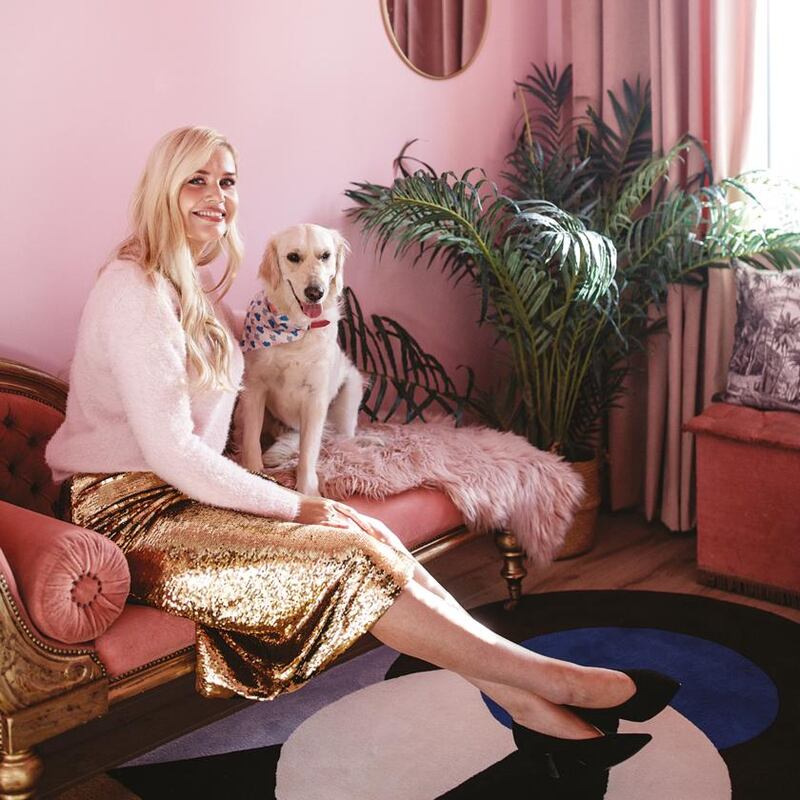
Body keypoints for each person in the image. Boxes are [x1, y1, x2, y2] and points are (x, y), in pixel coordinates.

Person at [45, 126, 677, 786]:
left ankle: (528, 703)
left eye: (227, 181)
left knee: (367, 532)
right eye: (197, 180)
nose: (217, 195)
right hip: (123, 520)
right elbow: (173, 452)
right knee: (347, 555)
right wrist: (297, 504)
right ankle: (560, 684)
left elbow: (228, 423)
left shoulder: (198, 295)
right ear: (161, 189)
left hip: (188, 500)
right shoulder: (132, 288)